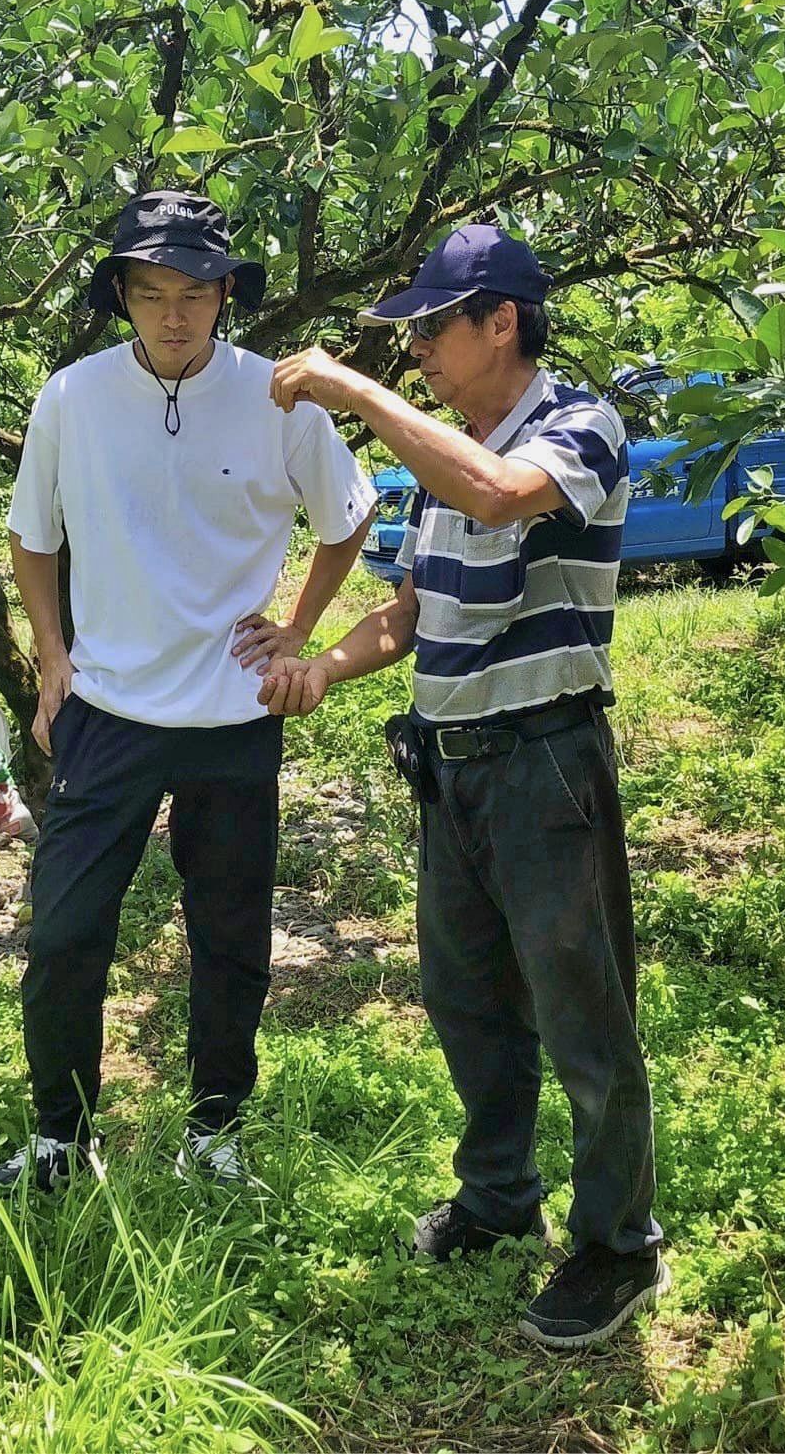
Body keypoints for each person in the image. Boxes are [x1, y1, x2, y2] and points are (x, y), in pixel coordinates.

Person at [244, 224, 667, 1348]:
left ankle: (617, 1245)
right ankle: (496, 1200)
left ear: (502, 323)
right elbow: (415, 608)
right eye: (412, 334)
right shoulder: (448, 454)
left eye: (433, 327)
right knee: (468, 1004)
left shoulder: (576, 428)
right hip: (451, 772)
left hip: (543, 766)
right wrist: (319, 662)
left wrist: (346, 389)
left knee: (582, 1011)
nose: (418, 349)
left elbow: (497, 498)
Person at [0, 189, 376, 1192]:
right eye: (150, 291)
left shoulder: (277, 397)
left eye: (195, 293)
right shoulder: (70, 397)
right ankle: (62, 1138)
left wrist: (299, 627)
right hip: (106, 710)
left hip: (234, 714)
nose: (173, 314)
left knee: (230, 933)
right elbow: (32, 536)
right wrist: (50, 652)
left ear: (225, 297)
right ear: (120, 294)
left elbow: (346, 518)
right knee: (67, 932)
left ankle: (215, 1132)